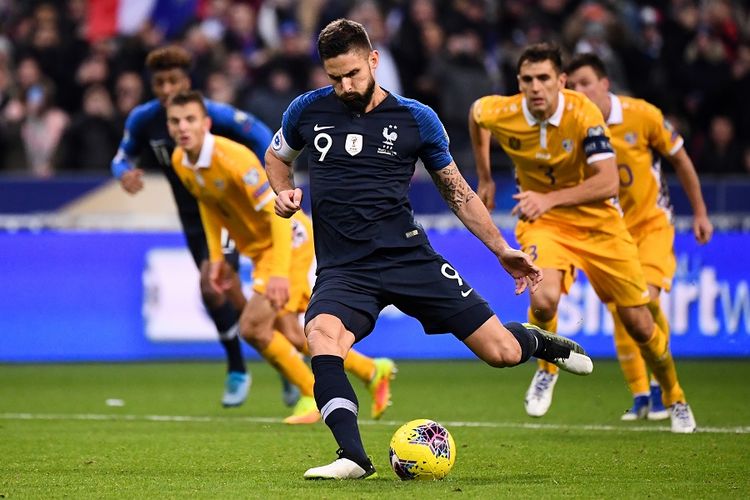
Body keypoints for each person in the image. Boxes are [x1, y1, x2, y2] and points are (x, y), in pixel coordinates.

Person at [264, 19, 593, 480]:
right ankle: (353, 456)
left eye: (353, 73)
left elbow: (457, 192)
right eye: (334, 76)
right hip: (345, 270)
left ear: (374, 60)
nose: (344, 85)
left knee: (500, 352)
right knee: (320, 334)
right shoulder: (306, 111)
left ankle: (539, 341)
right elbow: (277, 157)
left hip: (409, 259)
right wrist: (281, 191)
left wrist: (502, 249)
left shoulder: (416, 119)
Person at [469, 43, 696, 434]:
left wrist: (547, 198)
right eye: (527, 80)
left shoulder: (583, 113)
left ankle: (675, 396)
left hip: (600, 223)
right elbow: (476, 118)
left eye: (544, 79)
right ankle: (546, 369)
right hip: (547, 223)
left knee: (640, 325)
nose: (535, 87)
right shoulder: (501, 110)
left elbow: (607, 181)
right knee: (542, 300)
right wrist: (486, 176)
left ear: (561, 81)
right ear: (518, 82)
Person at [166, 90, 397, 424]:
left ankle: (310, 393)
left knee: (253, 327)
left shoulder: (235, 161)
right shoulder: (180, 161)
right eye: (174, 121)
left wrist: (278, 274)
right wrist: (216, 257)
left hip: (289, 240)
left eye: (189, 119)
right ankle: (373, 370)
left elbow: (279, 214)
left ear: (207, 123)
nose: (182, 127)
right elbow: (208, 203)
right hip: (262, 250)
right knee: (290, 333)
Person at [110, 45, 273, 408]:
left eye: (174, 81)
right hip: (194, 221)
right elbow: (121, 157)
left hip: (228, 211)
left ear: (187, 81)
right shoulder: (144, 120)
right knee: (222, 290)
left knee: (211, 284)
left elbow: (261, 133)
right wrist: (124, 174)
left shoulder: (208, 114)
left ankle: (237, 367)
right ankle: (276, 349)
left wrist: (273, 171)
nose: (167, 89)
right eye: (160, 82)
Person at [565, 52, 713, 421]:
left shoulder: (642, 115)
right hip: (610, 231)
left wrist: (700, 212)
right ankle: (642, 394)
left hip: (651, 225)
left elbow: (680, 159)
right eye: (573, 85)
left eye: (585, 83)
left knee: (644, 302)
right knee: (621, 313)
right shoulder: (573, 124)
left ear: (604, 83)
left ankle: (666, 388)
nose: (578, 91)